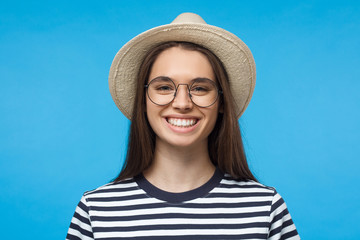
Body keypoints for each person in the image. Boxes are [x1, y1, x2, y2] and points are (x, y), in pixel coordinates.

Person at [66, 13, 300, 240]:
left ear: (221, 101)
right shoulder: (96, 211)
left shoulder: (265, 207)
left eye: (199, 88)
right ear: (143, 100)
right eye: (164, 87)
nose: (182, 103)